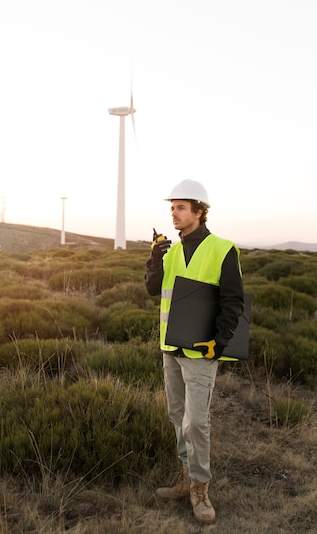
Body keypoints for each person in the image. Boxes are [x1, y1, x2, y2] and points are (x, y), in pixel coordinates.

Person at [145, 179, 244, 524]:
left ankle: (200, 489)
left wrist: (220, 341)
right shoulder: (170, 252)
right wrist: (154, 259)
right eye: (171, 207)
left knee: (197, 422)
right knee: (177, 417)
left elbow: (233, 301)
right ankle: (187, 477)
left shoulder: (222, 249)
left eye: (181, 207)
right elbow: (152, 290)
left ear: (200, 212)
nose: (174, 213)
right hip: (171, 347)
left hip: (203, 350)